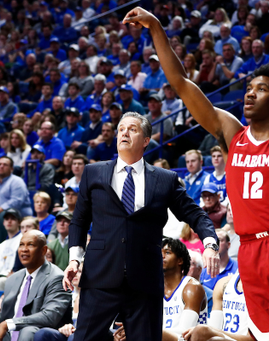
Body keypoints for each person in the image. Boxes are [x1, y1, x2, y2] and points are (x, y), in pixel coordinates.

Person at [124, 8, 269, 341]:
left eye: (261, 90)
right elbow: (180, 82)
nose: (249, 93)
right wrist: (156, 28)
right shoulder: (231, 134)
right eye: (249, 87)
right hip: (247, 250)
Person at [63, 111, 219, 341]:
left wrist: (209, 243)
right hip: (100, 276)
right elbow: (79, 219)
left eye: (132, 129)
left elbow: (194, 213)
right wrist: (74, 259)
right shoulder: (93, 172)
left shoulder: (165, 178)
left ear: (146, 140)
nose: (124, 132)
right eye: (121, 129)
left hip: (144, 280)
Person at [0, 230, 72, 341]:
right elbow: (4, 316)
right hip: (12, 333)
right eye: (21, 245)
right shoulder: (13, 278)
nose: (24, 249)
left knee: (27, 331)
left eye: (30, 245)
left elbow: (49, 317)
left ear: (43, 250)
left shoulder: (57, 277)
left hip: (40, 335)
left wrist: (9, 324)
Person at [161, 238, 207, 335]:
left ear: (180, 260)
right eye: (159, 252)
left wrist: (144, 331)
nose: (162, 256)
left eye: (167, 252)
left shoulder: (192, 288)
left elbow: (184, 333)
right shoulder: (155, 289)